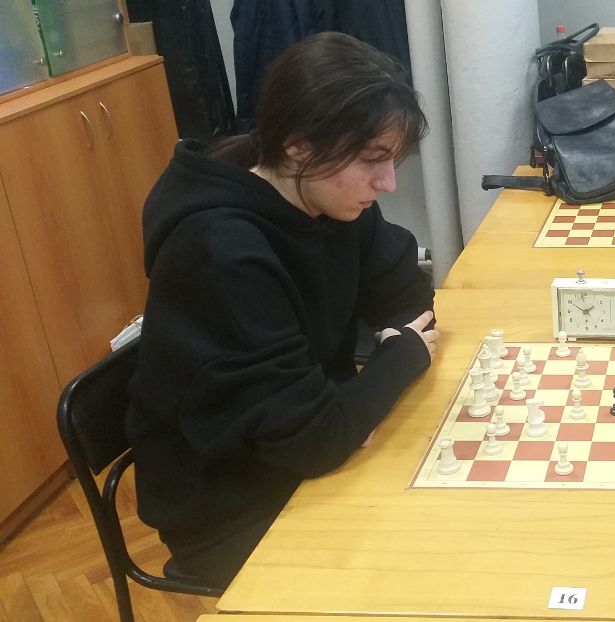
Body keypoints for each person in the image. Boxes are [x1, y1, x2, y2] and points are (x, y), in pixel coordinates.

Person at [126, 32, 437, 588]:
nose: (388, 183)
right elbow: (316, 440)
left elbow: (408, 296)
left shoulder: (327, 197)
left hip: (300, 454)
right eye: (373, 160)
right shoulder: (220, 251)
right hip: (231, 505)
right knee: (417, 574)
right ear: (298, 145)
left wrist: (348, 411)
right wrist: (402, 356)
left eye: (392, 160)